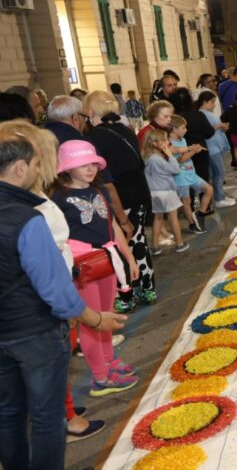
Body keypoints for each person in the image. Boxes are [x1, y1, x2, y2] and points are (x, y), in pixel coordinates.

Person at [0, 132, 127, 470]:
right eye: (37, 162)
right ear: (18, 168)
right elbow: (53, 286)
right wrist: (95, 319)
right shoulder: (26, 217)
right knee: (47, 415)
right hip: (33, 328)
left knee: (10, 412)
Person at [51, 140, 140, 396]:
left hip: (107, 260)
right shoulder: (59, 198)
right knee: (92, 321)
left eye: (92, 163)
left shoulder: (98, 190)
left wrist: (129, 258)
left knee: (106, 314)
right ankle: (100, 377)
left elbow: (113, 228)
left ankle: (108, 361)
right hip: (83, 267)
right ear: (67, 168)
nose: (90, 168)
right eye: (82, 164)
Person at [83, 91, 157, 310]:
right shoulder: (125, 130)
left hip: (119, 197)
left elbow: (107, 182)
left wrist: (122, 218)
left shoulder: (93, 139)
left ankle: (126, 295)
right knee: (139, 240)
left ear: (89, 112)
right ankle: (147, 287)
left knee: (119, 246)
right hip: (140, 193)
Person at [142, 129, 189, 253]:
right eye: (163, 140)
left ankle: (155, 247)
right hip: (166, 191)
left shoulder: (147, 157)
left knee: (158, 218)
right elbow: (175, 170)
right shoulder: (157, 159)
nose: (167, 142)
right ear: (155, 143)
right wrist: (171, 156)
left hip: (154, 192)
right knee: (173, 218)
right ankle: (179, 244)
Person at [169, 115, 212, 234]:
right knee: (186, 201)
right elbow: (180, 160)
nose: (186, 130)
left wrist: (192, 149)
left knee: (208, 189)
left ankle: (200, 214)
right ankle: (192, 224)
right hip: (180, 176)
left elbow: (186, 154)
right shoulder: (170, 143)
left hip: (190, 172)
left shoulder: (183, 140)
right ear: (174, 129)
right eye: (183, 128)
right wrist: (193, 151)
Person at [195, 91, 235, 207]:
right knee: (219, 172)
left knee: (217, 172)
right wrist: (220, 126)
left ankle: (219, 195)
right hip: (212, 148)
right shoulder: (202, 114)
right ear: (205, 102)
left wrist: (222, 127)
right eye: (212, 103)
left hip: (217, 146)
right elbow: (207, 130)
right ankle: (219, 199)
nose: (214, 106)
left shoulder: (208, 113)